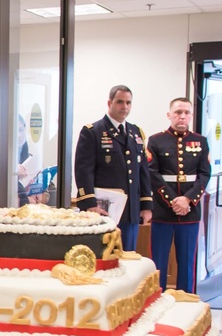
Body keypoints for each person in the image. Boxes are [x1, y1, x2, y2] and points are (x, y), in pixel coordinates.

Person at [74, 84, 153, 251]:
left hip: (130, 211)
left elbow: (143, 172)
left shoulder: (135, 132)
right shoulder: (93, 131)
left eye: (128, 103)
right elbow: (83, 170)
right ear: (109, 103)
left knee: (128, 258)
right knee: (104, 260)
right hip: (102, 211)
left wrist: (146, 206)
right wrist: (89, 203)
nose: (124, 107)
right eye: (120, 102)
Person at [145, 97, 211, 294]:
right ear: (169, 115)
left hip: (190, 211)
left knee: (187, 262)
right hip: (163, 211)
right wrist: (173, 200)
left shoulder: (201, 141)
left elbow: (205, 174)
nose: (182, 116)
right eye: (177, 112)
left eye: (186, 113)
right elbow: (152, 173)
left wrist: (188, 199)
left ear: (191, 115)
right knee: (158, 261)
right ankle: (156, 298)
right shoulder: (156, 140)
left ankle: (187, 300)